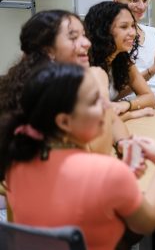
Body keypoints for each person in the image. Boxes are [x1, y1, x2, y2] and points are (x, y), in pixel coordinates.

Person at [0, 63, 155, 250]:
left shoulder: (16, 164)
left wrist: (122, 178)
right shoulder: (108, 172)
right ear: (64, 121)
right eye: (95, 101)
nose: (107, 106)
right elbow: (147, 222)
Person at [0, 10, 128, 155]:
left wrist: (124, 144)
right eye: (73, 37)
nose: (87, 43)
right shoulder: (42, 93)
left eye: (84, 35)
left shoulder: (68, 82)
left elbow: (113, 119)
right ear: (48, 50)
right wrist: (101, 92)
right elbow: (93, 156)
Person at [85, 1, 155, 121]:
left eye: (133, 26)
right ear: (103, 30)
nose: (133, 33)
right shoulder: (85, 62)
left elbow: (150, 98)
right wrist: (131, 114)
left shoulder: (121, 57)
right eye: (124, 27)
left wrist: (126, 105)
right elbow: (93, 118)